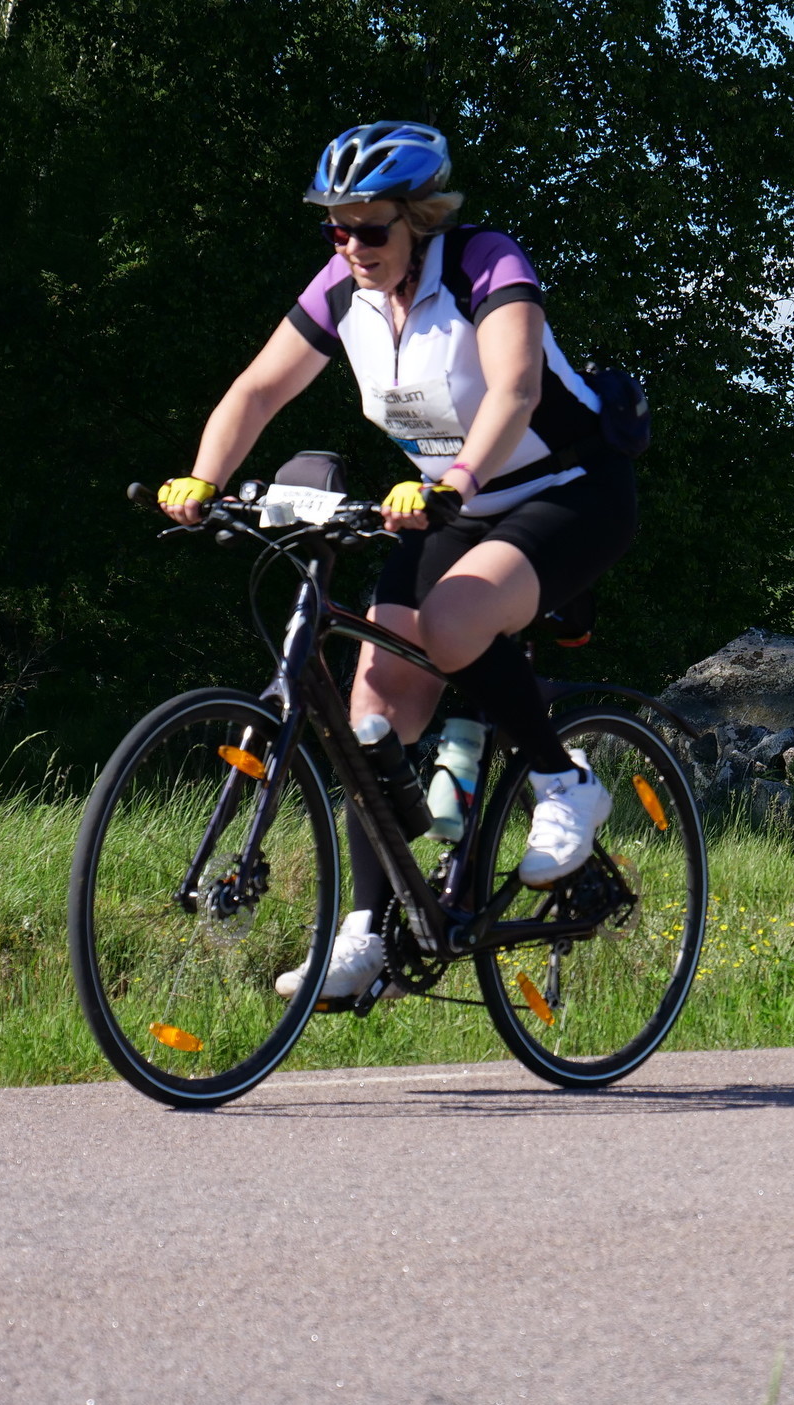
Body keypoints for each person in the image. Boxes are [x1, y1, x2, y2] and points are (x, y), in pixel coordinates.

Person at [157, 120, 636, 1000]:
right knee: (372, 710)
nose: (351, 246)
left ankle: (564, 781)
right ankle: (365, 936)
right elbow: (258, 388)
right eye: (335, 229)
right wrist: (204, 477)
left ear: (419, 217)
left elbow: (515, 390)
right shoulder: (343, 288)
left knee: (452, 625)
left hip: (568, 490)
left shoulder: (485, 264)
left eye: (370, 228)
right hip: (450, 504)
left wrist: (455, 480)